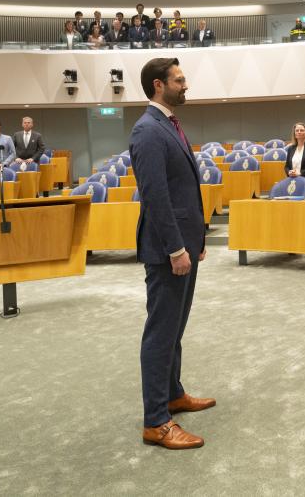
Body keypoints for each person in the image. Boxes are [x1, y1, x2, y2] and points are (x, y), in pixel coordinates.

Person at [129, 57, 212, 450]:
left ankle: (173, 393)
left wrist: (197, 240)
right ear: (159, 85)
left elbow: (184, 190)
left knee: (175, 328)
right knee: (161, 332)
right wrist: (178, 248)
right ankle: (156, 421)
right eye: (180, 79)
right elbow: (156, 198)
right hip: (167, 251)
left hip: (184, 246)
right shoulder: (147, 130)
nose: (186, 84)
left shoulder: (169, 125)